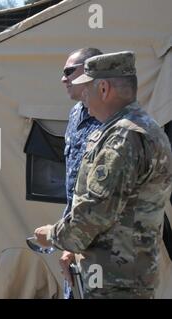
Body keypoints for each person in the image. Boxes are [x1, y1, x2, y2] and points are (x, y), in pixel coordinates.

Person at [34, 51, 172, 298]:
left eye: (85, 90)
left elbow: (93, 215)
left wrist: (52, 235)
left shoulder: (123, 138)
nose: (82, 99)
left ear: (104, 89)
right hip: (125, 275)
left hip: (116, 281)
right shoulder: (141, 127)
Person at [59, 48, 102, 298]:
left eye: (68, 71)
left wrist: (75, 241)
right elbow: (74, 185)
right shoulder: (76, 113)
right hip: (76, 240)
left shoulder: (112, 119)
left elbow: (102, 196)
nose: (63, 79)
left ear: (90, 71)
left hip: (105, 248)